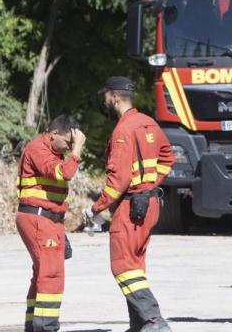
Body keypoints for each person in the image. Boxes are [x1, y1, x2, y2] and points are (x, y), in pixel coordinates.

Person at [89, 76, 175, 332]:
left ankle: (154, 321)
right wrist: (150, 184)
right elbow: (168, 158)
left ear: (114, 97)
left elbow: (119, 178)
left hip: (130, 207)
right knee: (136, 265)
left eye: (106, 96)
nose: (105, 100)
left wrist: (97, 207)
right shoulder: (149, 123)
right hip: (149, 204)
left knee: (123, 266)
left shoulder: (122, 131)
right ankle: (139, 324)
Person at [16, 114, 86, 332]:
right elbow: (64, 173)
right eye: (67, 142)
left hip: (50, 219)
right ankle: (46, 327)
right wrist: (77, 151)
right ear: (54, 133)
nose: (68, 148)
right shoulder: (38, 149)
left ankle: (34, 325)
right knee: (51, 274)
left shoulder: (54, 151)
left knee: (43, 274)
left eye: (71, 145)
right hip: (38, 217)